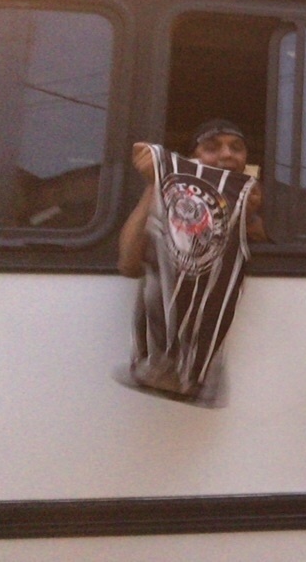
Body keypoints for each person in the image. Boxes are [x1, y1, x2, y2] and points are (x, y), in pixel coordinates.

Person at [117, 119, 265, 405]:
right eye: (212, 147)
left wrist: (249, 214)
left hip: (207, 369)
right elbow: (128, 264)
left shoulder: (251, 198)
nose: (227, 155)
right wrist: (156, 183)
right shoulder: (167, 198)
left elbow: (259, 239)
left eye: (237, 148)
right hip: (155, 363)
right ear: (192, 159)